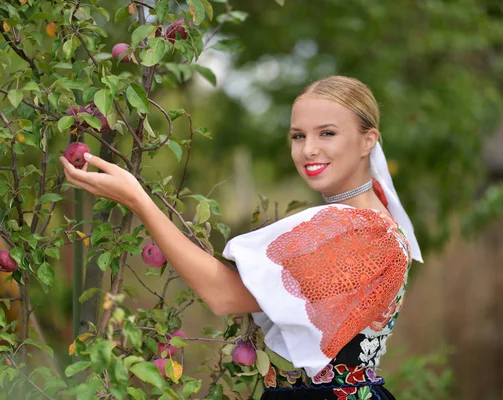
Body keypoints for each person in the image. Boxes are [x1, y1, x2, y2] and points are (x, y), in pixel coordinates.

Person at [60, 75, 423, 399]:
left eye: (327, 133)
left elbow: (224, 296)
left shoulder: (363, 231)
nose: (308, 149)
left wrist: (139, 200)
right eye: (298, 136)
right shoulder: (376, 218)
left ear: (367, 141)